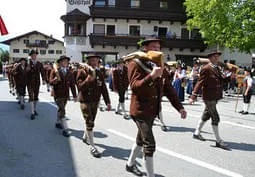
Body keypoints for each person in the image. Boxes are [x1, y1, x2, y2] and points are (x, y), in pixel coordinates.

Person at [125, 38, 187, 177]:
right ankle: (150, 175)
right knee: (150, 144)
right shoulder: (135, 64)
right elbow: (135, 87)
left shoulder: (160, 64)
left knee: (141, 140)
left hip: (153, 111)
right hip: (140, 110)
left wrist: (180, 108)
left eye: (159, 48)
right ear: (145, 49)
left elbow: (169, 89)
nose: (157, 50)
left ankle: (129, 164)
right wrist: (151, 76)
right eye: (154, 47)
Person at [189, 50, 229, 150]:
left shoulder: (217, 68)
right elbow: (200, 82)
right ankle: (218, 140)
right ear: (210, 58)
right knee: (215, 117)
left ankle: (196, 132)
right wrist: (193, 95)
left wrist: (229, 77)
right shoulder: (206, 68)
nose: (217, 58)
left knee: (206, 115)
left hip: (215, 96)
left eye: (217, 57)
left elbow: (222, 80)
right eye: (214, 57)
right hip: (209, 97)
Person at [76, 53, 111, 158]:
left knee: (91, 121)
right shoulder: (82, 72)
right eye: (92, 60)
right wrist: (89, 78)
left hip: (95, 101)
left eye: (96, 60)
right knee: (90, 122)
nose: (94, 62)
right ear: (88, 61)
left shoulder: (99, 73)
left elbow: (103, 88)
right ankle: (92, 146)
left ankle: (85, 136)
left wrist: (108, 102)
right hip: (85, 101)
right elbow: (80, 87)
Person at [49, 56, 77, 137]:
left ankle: (57, 122)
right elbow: (50, 82)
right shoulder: (54, 71)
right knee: (62, 110)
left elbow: (72, 85)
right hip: (57, 94)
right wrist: (55, 80)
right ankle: (65, 129)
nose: (65, 63)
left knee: (61, 109)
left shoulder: (70, 72)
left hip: (65, 95)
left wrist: (74, 95)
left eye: (66, 61)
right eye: (63, 61)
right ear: (60, 62)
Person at [26, 49, 46, 120]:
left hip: (37, 82)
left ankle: (34, 109)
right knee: (31, 96)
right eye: (33, 55)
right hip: (29, 82)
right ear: (30, 56)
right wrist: (27, 68)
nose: (34, 56)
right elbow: (25, 72)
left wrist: (43, 79)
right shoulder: (27, 63)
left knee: (36, 97)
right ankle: (32, 113)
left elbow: (42, 72)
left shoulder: (39, 63)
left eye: (35, 55)